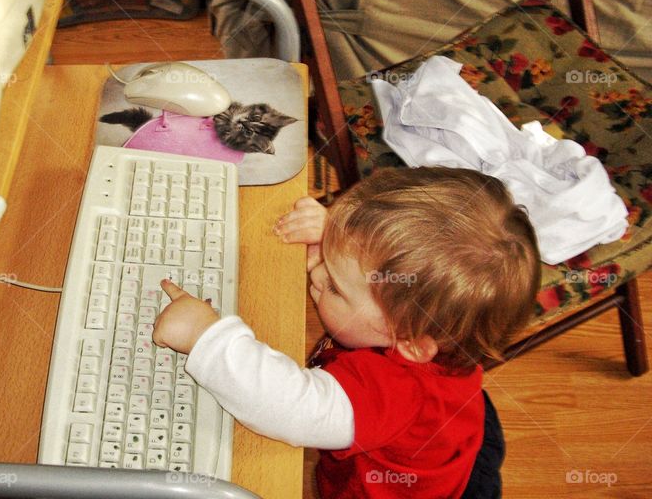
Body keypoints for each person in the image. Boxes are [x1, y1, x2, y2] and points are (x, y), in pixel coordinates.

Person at [152, 166, 541, 498]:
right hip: (460, 430)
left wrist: (206, 337)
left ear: (410, 343)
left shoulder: (391, 392)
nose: (317, 274)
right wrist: (338, 238)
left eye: (336, 286)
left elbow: (289, 407)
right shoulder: (421, 327)